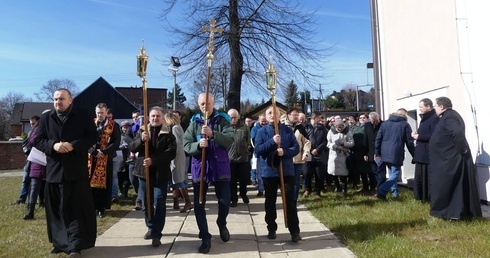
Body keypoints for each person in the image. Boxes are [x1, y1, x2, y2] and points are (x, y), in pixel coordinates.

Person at [34, 88, 98, 256]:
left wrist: (74, 145)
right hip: (54, 171)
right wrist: (53, 145)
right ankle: (60, 242)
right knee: (56, 211)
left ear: (71, 100)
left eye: (61, 99)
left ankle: (75, 245)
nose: (58, 102)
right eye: (55, 99)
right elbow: (38, 140)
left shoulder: (82, 115)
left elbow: (92, 137)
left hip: (76, 172)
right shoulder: (47, 117)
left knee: (75, 210)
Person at [183, 93, 234, 254]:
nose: (205, 106)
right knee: (199, 204)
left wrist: (213, 135)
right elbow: (186, 144)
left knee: (225, 200)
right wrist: (198, 145)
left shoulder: (222, 120)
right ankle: (205, 236)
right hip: (201, 167)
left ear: (213, 104)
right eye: (202, 104)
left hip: (220, 166)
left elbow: (230, 139)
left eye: (208, 103)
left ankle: (221, 222)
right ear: (199, 105)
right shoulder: (194, 124)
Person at [129, 106, 177, 247]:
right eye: (153, 116)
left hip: (161, 174)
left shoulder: (168, 135)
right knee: (146, 202)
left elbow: (171, 153)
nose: (155, 118)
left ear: (162, 118)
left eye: (158, 116)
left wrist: (154, 161)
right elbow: (132, 147)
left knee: (160, 203)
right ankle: (150, 226)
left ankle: (157, 233)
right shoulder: (142, 131)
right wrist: (141, 141)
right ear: (149, 118)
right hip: (144, 173)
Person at [429, 97, 482, 220]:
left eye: (435, 106)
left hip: (451, 159)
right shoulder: (447, 116)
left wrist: (462, 149)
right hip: (447, 158)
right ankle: (448, 212)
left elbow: (457, 133)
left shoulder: (450, 117)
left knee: (450, 185)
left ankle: (452, 213)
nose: (434, 108)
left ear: (442, 106)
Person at [254, 106, 301, 242]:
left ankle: (294, 231)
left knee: (290, 202)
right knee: (270, 201)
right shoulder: (261, 132)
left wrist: (284, 152)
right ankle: (271, 228)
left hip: (286, 171)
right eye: (269, 113)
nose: (272, 115)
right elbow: (258, 150)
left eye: (275, 113)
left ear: (280, 116)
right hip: (269, 172)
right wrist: (272, 142)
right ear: (266, 116)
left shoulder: (287, 130)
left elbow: (295, 148)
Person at [88, 103, 121, 218]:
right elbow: (83, 138)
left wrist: (104, 151)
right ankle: (90, 207)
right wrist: (92, 151)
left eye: (102, 112)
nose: (100, 115)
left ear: (106, 112)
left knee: (103, 184)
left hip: (105, 158)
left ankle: (101, 208)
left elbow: (116, 142)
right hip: (90, 158)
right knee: (89, 183)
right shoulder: (90, 123)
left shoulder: (113, 125)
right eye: (98, 112)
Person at [373, 110, 415, 200]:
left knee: (392, 173)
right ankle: (382, 190)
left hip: (385, 152)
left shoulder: (385, 124)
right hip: (396, 152)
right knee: (395, 173)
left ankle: (395, 193)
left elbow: (378, 138)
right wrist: (414, 154)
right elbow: (409, 142)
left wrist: (377, 152)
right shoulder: (405, 125)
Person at [164, 111, 193, 213]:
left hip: (176, 157)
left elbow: (176, 143)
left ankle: (188, 202)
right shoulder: (177, 127)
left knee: (178, 180)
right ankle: (176, 202)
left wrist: (170, 156)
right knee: (174, 181)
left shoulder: (175, 128)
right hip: (178, 156)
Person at [411, 98, 439, 202]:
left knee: (426, 177)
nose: (420, 109)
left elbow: (433, 135)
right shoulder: (424, 118)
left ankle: (427, 197)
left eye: (421, 107)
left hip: (427, 153)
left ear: (428, 106)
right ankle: (420, 196)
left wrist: (419, 137)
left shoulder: (434, 118)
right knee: (420, 177)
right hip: (421, 153)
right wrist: (416, 134)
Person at [10, 116, 40, 205]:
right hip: (30, 159)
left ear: (38, 122)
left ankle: (38, 201)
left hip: (38, 160)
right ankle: (22, 199)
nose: (32, 125)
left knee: (36, 183)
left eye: (33, 123)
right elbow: (25, 143)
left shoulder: (41, 132)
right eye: (30, 124)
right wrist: (26, 151)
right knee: (25, 179)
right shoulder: (30, 132)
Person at [284, 108, 310, 202]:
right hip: (286, 159)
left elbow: (307, 142)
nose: (296, 117)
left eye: (297, 115)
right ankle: (286, 200)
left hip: (298, 159)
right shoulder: (283, 126)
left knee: (296, 181)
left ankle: (294, 201)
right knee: (286, 181)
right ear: (288, 115)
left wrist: (306, 153)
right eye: (294, 115)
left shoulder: (300, 128)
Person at [23, 114, 46, 220]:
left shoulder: (50, 128)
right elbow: (30, 142)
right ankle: (30, 210)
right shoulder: (35, 130)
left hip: (48, 161)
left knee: (48, 186)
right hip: (36, 161)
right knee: (34, 185)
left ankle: (47, 204)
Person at [227, 108, 252, 207]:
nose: (232, 119)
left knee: (244, 179)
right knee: (232, 181)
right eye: (230, 117)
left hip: (243, 158)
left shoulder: (244, 127)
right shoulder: (226, 127)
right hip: (230, 159)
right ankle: (234, 199)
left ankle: (243, 193)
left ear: (238, 117)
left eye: (234, 117)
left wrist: (247, 147)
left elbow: (248, 140)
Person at [327, 118, 354, 197]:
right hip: (333, 155)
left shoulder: (347, 132)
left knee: (343, 173)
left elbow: (352, 143)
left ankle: (344, 189)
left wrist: (345, 144)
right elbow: (328, 143)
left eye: (341, 126)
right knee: (334, 172)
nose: (339, 128)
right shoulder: (331, 132)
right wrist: (335, 146)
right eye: (338, 126)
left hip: (343, 155)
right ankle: (337, 186)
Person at [303, 111, 328, 199]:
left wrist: (318, 149)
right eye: (319, 118)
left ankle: (317, 192)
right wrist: (308, 150)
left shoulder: (322, 128)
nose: (320, 120)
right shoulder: (305, 127)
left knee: (319, 174)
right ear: (315, 118)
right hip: (308, 153)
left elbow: (325, 141)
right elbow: (303, 139)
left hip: (319, 154)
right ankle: (307, 188)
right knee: (306, 172)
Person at [125, 110, 143, 210]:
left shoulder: (145, 127)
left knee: (141, 179)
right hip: (132, 156)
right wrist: (135, 144)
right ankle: (140, 194)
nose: (136, 118)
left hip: (140, 157)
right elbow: (126, 138)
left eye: (137, 116)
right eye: (134, 117)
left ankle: (139, 200)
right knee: (132, 179)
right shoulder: (131, 128)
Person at [349, 113, 372, 194]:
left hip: (366, 151)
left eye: (364, 117)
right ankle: (365, 187)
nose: (362, 119)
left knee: (369, 171)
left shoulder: (369, 126)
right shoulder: (355, 127)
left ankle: (372, 187)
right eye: (360, 118)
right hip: (356, 152)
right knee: (361, 171)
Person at [363, 112, 384, 190]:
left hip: (381, 152)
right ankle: (377, 188)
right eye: (373, 121)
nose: (375, 122)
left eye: (376, 121)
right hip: (371, 152)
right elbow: (365, 139)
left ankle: (381, 189)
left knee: (381, 172)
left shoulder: (383, 125)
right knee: (374, 171)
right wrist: (365, 153)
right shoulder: (367, 126)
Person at [251, 114, 268, 196]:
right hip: (259, 154)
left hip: (268, 154)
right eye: (262, 121)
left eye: (265, 121)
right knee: (259, 173)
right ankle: (261, 189)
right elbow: (254, 141)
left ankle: (267, 188)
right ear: (258, 120)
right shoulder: (255, 129)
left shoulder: (269, 128)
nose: (264, 123)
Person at [117, 120, 131, 198]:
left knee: (127, 177)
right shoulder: (119, 136)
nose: (125, 129)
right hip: (120, 158)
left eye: (127, 127)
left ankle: (125, 192)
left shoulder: (131, 136)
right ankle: (121, 191)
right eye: (124, 127)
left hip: (128, 158)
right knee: (119, 175)